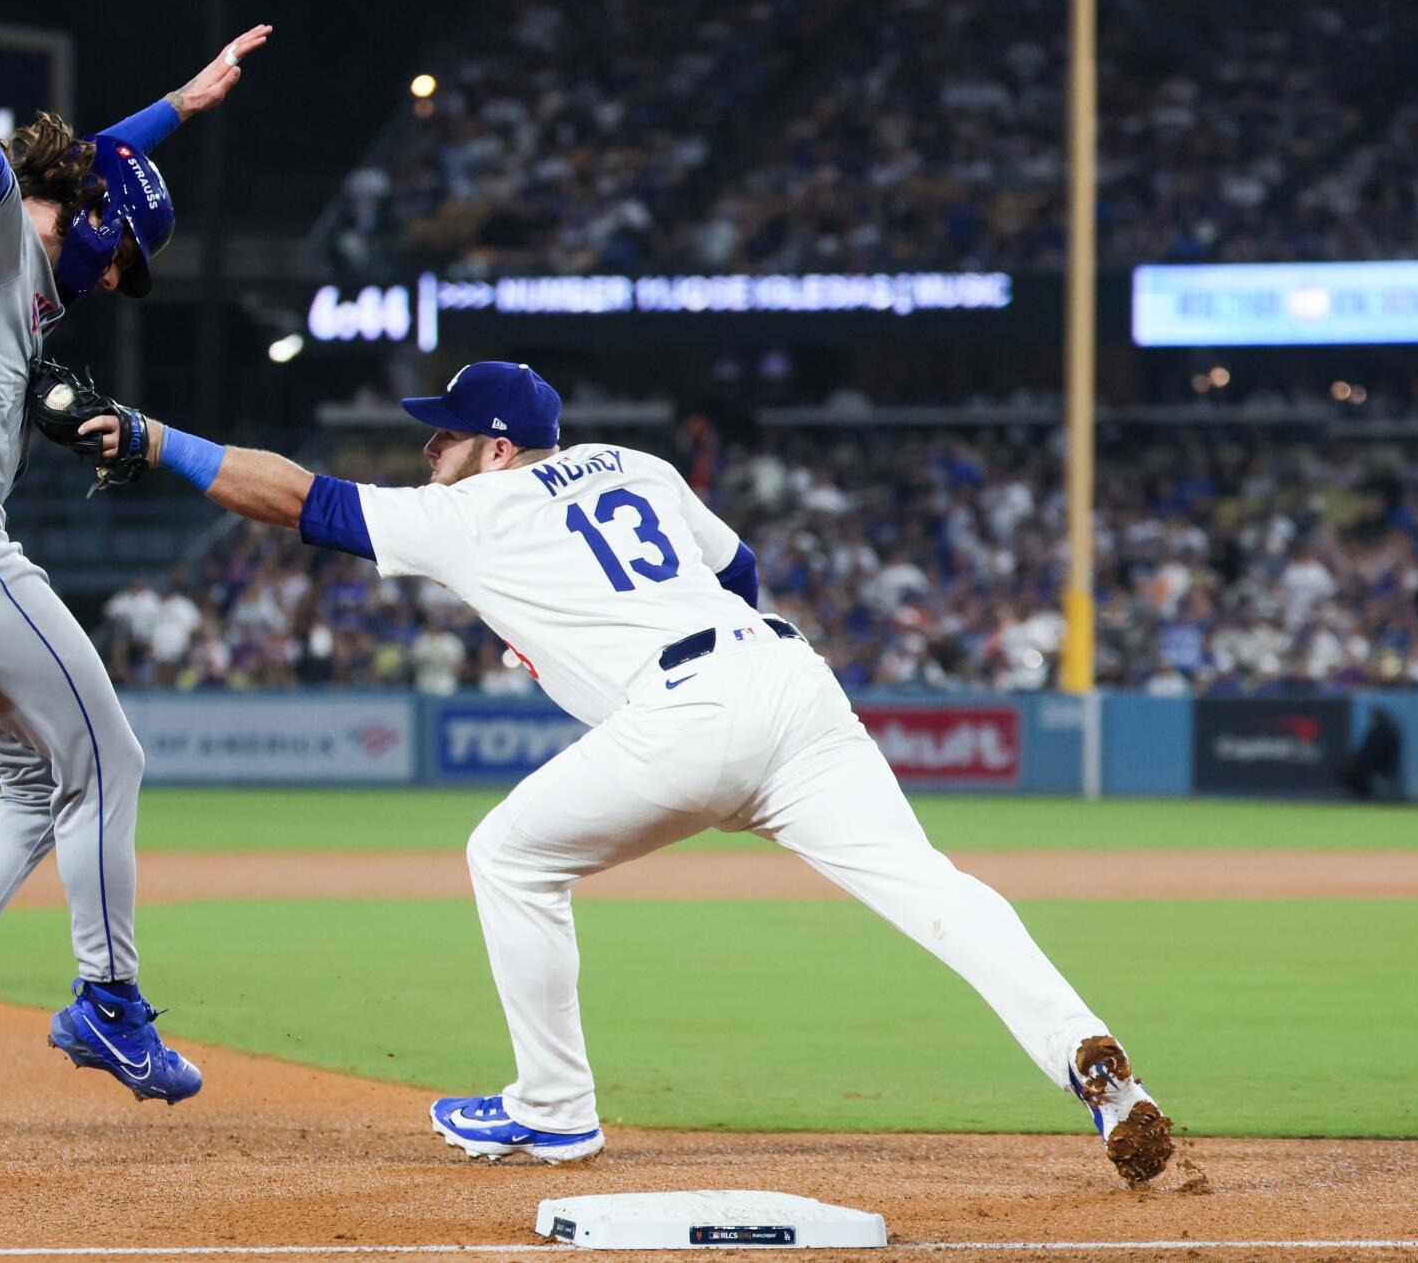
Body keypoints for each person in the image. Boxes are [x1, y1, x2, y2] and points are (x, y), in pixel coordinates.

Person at [78, 360, 1176, 1185]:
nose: (430, 452)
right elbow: (735, 566)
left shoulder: (478, 506)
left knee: (506, 856)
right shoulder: (640, 467)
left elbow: (297, 501)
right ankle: (1099, 1072)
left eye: (445, 435)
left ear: (498, 447)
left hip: (689, 708)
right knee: (931, 885)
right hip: (791, 681)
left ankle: (553, 1106)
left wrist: (150, 435)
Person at [0, 0, 270, 1135]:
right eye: (117, 248)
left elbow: (101, 163)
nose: (112, 271)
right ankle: (107, 1001)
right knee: (114, 761)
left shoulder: (21, 278)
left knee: (38, 779)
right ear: (83, 217)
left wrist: (182, 104)